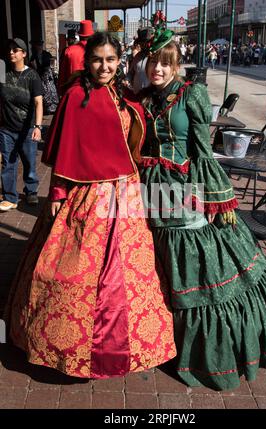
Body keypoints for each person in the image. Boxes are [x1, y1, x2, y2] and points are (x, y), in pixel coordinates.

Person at [4, 32, 176, 379]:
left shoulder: (123, 93)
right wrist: (56, 194)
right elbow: (66, 150)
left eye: (111, 59)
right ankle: (66, 347)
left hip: (124, 190)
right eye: (98, 59)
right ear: (89, 60)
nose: (104, 66)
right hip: (87, 194)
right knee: (70, 263)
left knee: (130, 271)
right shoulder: (74, 96)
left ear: (119, 61)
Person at [137, 24, 266, 391]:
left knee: (193, 260)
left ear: (176, 65)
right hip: (148, 188)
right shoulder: (144, 99)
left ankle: (201, 349)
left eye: (165, 63)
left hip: (182, 188)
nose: (157, 69)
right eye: (153, 63)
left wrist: (214, 195)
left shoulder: (191, 95)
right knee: (155, 258)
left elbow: (202, 152)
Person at [0, 38, 42, 211]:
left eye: (16, 50)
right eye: (10, 49)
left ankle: (31, 191)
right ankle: (10, 197)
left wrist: (38, 127)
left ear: (23, 54)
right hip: (6, 129)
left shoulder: (32, 75)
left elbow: (39, 102)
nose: (11, 52)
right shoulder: (3, 74)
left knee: (29, 162)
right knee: (8, 164)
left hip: (27, 128)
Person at [57, 20, 94, 96]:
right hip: (93, 92)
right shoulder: (97, 50)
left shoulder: (69, 51)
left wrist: (61, 93)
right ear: (91, 36)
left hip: (73, 93)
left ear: (79, 36)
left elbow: (62, 76)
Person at [29, 39, 59, 115]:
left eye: (40, 46)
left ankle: (53, 108)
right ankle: (46, 109)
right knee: (44, 92)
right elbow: (32, 65)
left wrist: (52, 68)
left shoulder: (46, 54)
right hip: (40, 75)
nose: (39, 47)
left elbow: (52, 61)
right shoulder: (34, 55)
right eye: (38, 46)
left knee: (51, 91)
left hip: (47, 75)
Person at [127, 27, 153, 94]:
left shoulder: (155, 57)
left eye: (146, 43)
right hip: (136, 92)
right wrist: (127, 79)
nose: (144, 45)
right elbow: (131, 71)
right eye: (141, 43)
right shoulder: (137, 56)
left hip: (150, 94)